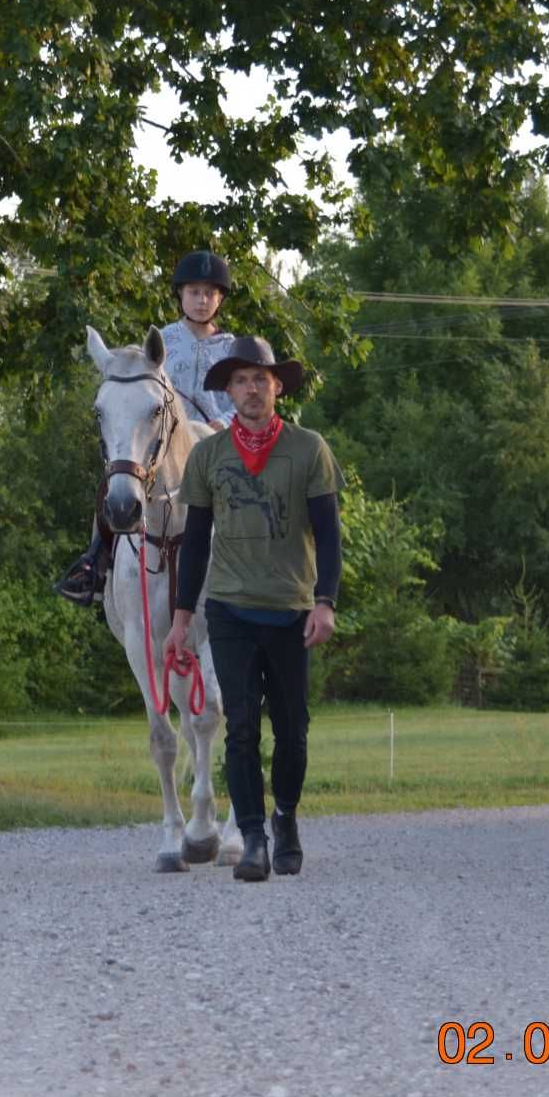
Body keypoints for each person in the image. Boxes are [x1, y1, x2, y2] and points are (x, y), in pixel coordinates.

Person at [163, 336, 342, 882]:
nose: (250, 389)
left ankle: (284, 817)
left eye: (259, 379)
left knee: (292, 731)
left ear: (276, 385)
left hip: (290, 609)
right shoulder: (208, 456)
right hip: (231, 609)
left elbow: (329, 535)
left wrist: (325, 602)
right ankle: (254, 837)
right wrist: (181, 619)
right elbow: (193, 543)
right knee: (240, 728)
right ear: (229, 390)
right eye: (239, 380)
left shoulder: (309, 449)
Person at [54, 250, 238, 606]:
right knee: (116, 482)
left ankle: (258, 564)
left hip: (216, 443)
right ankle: (96, 562)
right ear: (181, 295)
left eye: (209, 293)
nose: (201, 300)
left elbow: (242, 401)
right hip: (164, 445)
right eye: (194, 292)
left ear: (220, 299)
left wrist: (223, 422)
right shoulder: (161, 341)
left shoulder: (232, 348)